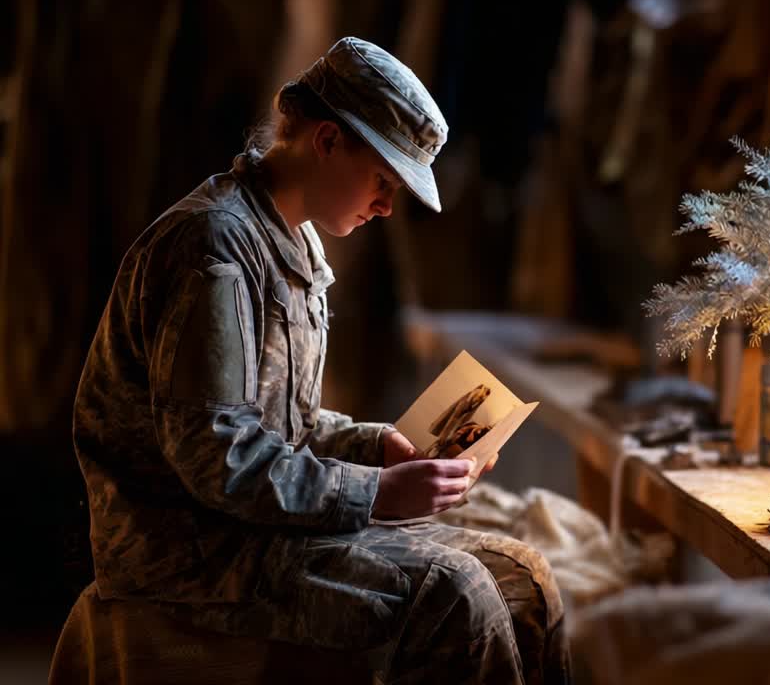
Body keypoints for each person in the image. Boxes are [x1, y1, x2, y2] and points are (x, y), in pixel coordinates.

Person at [72, 36, 569, 684]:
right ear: (327, 142)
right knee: (458, 594)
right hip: (190, 551)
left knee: (525, 579)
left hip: (251, 525)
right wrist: (376, 494)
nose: (388, 206)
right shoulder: (214, 248)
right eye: (383, 180)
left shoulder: (297, 243)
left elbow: (283, 426)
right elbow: (218, 458)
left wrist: (378, 448)